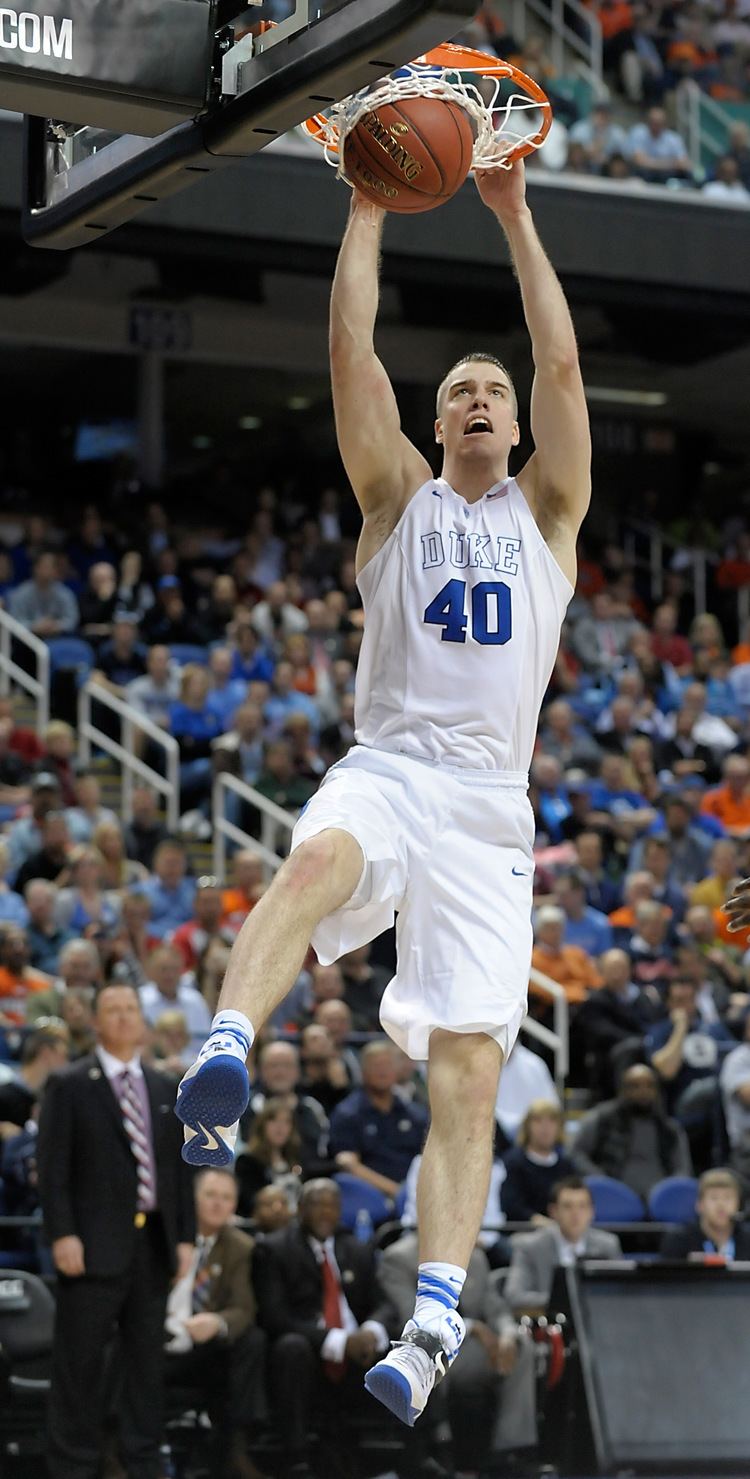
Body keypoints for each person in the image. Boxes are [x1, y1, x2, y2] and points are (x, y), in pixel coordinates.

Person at [176, 158, 591, 1429]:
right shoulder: (398, 496)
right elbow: (350, 344)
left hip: (490, 811)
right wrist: (364, 209)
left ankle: (431, 1320)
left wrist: (516, 214)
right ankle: (229, 1051)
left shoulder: (552, 517)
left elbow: (564, 367)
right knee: (310, 869)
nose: (476, 396)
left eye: (492, 392)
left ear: (514, 428)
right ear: (434, 419)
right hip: (394, 766)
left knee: (469, 1073)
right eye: (457, 388)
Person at [37, 982, 195, 1479]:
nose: (125, 1017)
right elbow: (53, 1167)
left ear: (143, 1020)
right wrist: (63, 1233)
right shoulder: (69, 1083)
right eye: (114, 1010)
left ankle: (142, 1460)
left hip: (153, 1245)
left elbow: (177, 1170)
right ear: (97, 1022)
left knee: (147, 1365)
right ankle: (73, 1465)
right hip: (89, 1246)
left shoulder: (165, 1085)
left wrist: (185, 1235)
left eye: (132, 1008)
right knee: (79, 1366)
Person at [252, 1179, 392, 1479]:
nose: (325, 1212)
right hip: (310, 1356)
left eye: (332, 1205)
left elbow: (384, 1305)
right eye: (317, 1204)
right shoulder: (274, 1249)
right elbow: (274, 1317)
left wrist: (370, 1331)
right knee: (291, 1347)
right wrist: (338, 1341)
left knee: (412, 1351)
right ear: (300, 1209)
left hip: (359, 1355)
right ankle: (296, 1458)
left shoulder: (356, 1248)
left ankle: (419, 1456)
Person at [165, 1167, 270, 1479]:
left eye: (226, 1198)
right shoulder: (166, 1234)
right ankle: (114, 1450)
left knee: (253, 1340)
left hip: (205, 1347)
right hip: (156, 1338)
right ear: (192, 1198)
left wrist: (218, 1322)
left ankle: (237, 1450)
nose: (217, 1204)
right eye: (210, 1195)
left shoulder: (240, 1246)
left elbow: (243, 1307)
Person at [572, 1063, 691, 1199]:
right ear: (623, 1089)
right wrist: (601, 1180)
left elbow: (682, 1169)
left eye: (649, 1085)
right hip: (612, 1195)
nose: (642, 1091)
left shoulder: (669, 1129)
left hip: (659, 1199)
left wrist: (670, 1192)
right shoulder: (602, 1120)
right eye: (635, 1086)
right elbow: (577, 1153)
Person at [504, 1178, 622, 1315]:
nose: (575, 1214)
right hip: (549, 1322)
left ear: (592, 1212)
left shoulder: (608, 1245)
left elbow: (620, 1293)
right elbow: (514, 1296)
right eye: (567, 1206)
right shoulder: (529, 1246)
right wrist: (564, 1301)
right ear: (553, 1211)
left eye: (582, 1206)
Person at [328, 1039, 429, 1198]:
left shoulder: (414, 1113)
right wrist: (396, 1191)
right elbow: (347, 1162)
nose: (382, 1071)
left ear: (396, 1070)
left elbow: (427, 1156)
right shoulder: (348, 1113)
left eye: (387, 1065)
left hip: (414, 1192)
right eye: (376, 1066)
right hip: (369, 1196)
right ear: (363, 1072)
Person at [500, 1099, 577, 1222]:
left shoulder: (567, 1165)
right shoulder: (512, 1162)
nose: (545, 1127)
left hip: (560, 1231)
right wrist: (537, 1220)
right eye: (538, 1120)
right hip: (522, 1232)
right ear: (527, 1126)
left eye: (552, 1120)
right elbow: (511, 1205)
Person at [235, 1096, 304, 1217]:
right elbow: (250, 1202)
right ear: (262, 1125)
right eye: (273, 1120)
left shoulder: (295, 1157)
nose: (280, 1127)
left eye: (286, 1122)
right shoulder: (247, 1161)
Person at [660, 1167, 750, 1259]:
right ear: (699, 1205)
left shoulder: (747, 1239)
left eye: (728, 1198)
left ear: (738, 1205)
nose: (721, 1205)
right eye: (714, 1198)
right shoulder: (679, 1240)